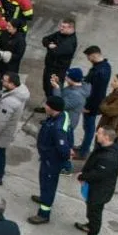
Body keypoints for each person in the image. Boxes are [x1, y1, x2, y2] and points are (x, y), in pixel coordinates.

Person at [75, 126, 118, 235]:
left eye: (100, 133)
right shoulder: (105, 147)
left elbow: (98, 174)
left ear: (107, 137)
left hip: (100, 191)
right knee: (91, 210)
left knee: (94, 214)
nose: (97, 134)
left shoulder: (109, 157)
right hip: (96, 188)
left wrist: (82, 176)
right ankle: (89, 225)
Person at [0, 72, 30, 186]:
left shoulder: (10, 102)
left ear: (12, 84)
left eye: (5, 81)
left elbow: (0, 123)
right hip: (5, 131)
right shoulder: (17, 91)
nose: (2, 82)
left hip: (2, 133)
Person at [28, 95, 71, 225]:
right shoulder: (62, 115)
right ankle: (43, 198)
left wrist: (63, 162)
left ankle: (44, 214)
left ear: (53, 109)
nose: (45, 106)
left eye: (47, 105)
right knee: (44, 180)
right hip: (47, 158)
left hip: (52, 161)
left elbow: (63, 149)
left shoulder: (57, 128)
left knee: (48, 185)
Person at [77, 45, 112, 159]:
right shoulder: (104, 66)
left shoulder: (99, 72)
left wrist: (89, 107)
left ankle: (83, 151)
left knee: (89, 128)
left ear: (94, 55)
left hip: (91, 105)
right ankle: (83, 147)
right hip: (92, 103)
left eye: (88, 56)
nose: (88, 59)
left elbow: (97, 93)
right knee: (88, 127)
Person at [51, 68, 88, 174]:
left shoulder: (76, 95)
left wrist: (56, 87)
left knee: (64, 145)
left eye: (67, 76)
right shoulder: (73, 88)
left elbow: (59, 104)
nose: (65, 78)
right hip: (64, 121)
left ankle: (66, 167)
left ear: (73, 79)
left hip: (67, 123)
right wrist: (58, 84)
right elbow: (64, 95)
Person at [38, 18, 78, 110]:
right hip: (49, 67)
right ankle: (47, 107)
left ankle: (52, 112)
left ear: (71, 28)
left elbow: (55, 52)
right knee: (46, 88)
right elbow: (45, 39)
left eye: (64, 27)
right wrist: (50, 45)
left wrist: (51, 47)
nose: (61, 28)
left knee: (53, 91)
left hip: (58, 71)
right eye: (61, 26)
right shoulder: (60, 34)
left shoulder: (70, 43)